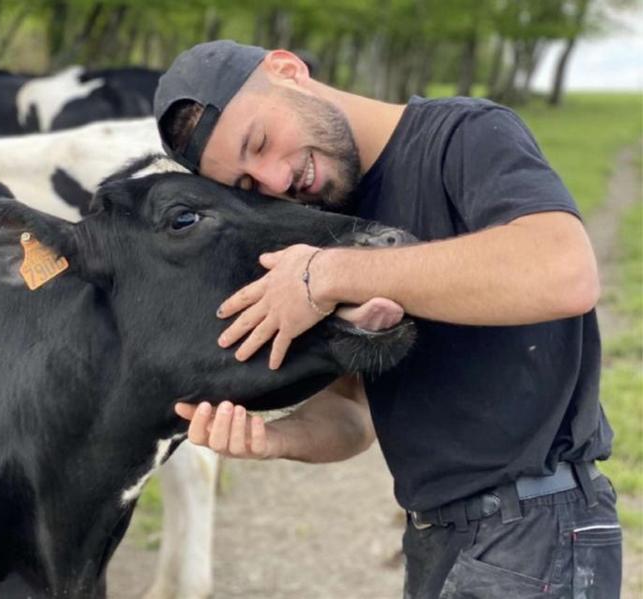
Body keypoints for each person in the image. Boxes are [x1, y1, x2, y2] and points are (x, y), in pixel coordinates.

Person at [153, 40, 622, 598]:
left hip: (536, 529)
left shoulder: (464, 135)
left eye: (259, 141)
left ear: (288, 70)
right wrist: (272, 439)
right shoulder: (330, 218)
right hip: (435, 537)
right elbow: (354, 411)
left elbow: (564, 270)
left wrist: (330, 277)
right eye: (249, 186)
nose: (275, 181)